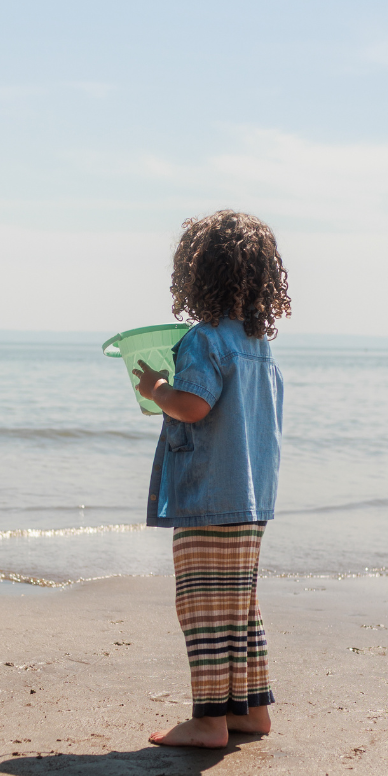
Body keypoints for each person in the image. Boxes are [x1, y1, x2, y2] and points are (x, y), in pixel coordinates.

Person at [132, 210, 290, 748]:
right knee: (239, 608)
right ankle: (251, 711)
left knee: (202, 607)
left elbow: (194, 406)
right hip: (252, 499)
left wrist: (157, 390)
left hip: (210, 496)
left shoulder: (204, 341)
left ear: (196, 275)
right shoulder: (258, 345)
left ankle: (208, 721)